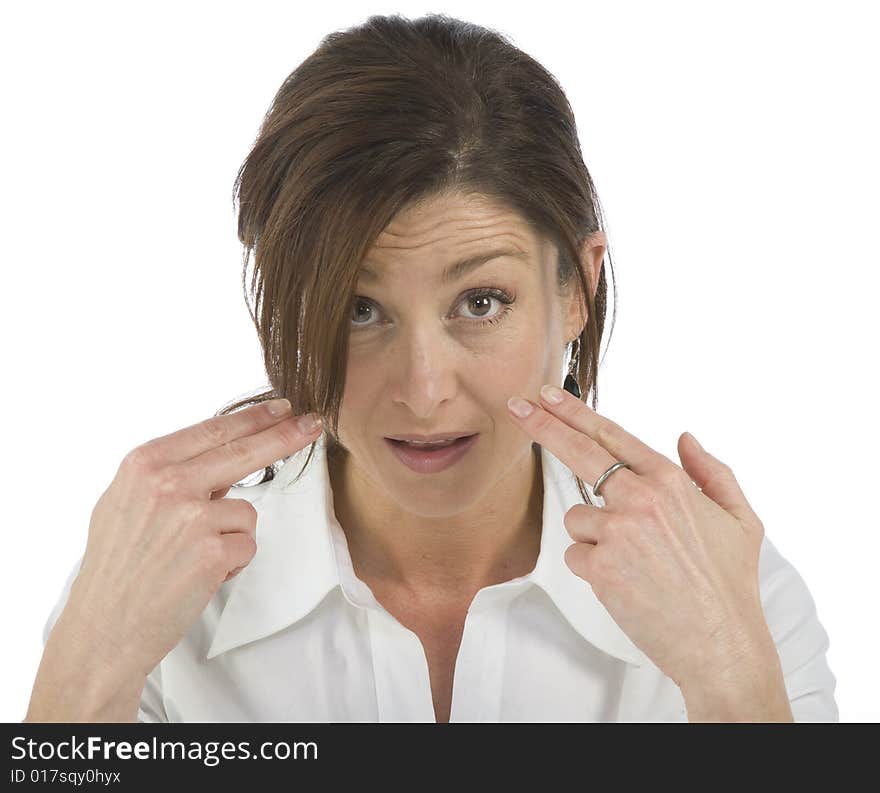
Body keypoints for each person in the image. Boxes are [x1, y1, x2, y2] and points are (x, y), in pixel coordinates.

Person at [26, 13, 838, 723]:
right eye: (357, 307)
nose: (421, 389)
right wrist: (83, 668)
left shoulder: (736, 592)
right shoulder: (152, 594)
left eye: (481, 302)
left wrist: (733, 681)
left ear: (578, 290)